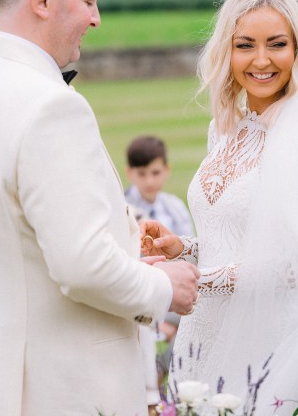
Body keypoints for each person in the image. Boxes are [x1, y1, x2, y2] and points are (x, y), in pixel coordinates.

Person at [0, 0, 199, 416]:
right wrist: (163, 285)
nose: (96, 17)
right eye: (89, 0)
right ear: (43, 0)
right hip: (60, 391)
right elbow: (80, 266)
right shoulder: (50, 106)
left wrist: (125, 254)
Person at [141, 0, 298, 414]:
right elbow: (235, 240)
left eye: (276, 44)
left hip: (258, 339)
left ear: (297, 50)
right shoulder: (224, 129)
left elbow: (292, 265)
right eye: (245, 45)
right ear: (228, 52)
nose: (261, 60)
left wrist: (198, 281)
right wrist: (184, 249)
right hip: (199, 334)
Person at [125, 135, 195, 411]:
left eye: (155, 173)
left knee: (194, 320)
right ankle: (153, 382)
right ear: (130, 173)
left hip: (175, 292)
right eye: (141, 174)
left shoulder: (174, 207)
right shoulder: (124, 208)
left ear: (166, 170)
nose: (149, 181)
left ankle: (168, 379)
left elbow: (189, 251)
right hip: (143, 291)